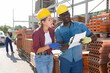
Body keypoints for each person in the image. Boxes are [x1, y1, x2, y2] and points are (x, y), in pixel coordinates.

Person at [55, 5, 97, 73]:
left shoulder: (81, 26)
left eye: (67, 13)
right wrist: (69, 44)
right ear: (60, 18)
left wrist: (89, 39)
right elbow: (59, 46)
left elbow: (94, 37)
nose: (66, 16)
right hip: (65, 61)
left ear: (69, 13)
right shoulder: (58, 30)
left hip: (78, 61)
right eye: (63, 15)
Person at [32, 8, 61, 73]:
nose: (52, 21)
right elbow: (36, 50)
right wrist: (49, 46)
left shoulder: (51, 31)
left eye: (51, 19)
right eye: (49, 20)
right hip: (40, 59)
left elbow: (52, 45)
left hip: (50, 56)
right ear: (43, 22)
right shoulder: (36, 33)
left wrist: (55, 46)